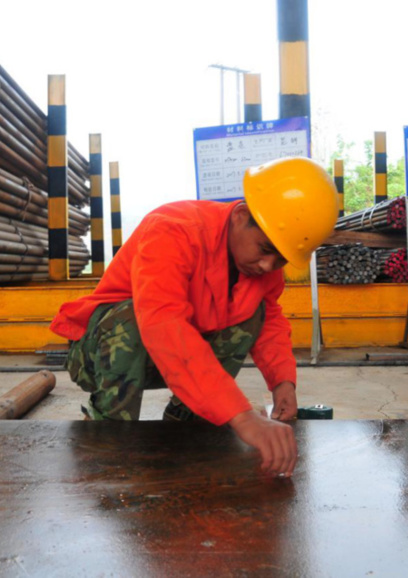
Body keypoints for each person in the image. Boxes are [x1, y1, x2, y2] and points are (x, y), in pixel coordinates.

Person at [50, 157, 339, 476]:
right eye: (265, 249)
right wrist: (241, 416)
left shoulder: (261, 267)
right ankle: (108, 430)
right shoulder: (173, 230)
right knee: (131, 317)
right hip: (99, 356)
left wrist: (283, 382)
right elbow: (164, 326)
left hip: (161, 361)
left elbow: (269, 320)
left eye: (281, 260)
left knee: (254, 312)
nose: (269, 266)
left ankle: (187, 424)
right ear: (241, 215)